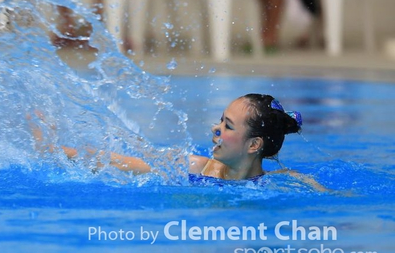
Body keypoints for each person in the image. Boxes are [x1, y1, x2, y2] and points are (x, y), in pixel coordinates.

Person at [30, 93, 322, 188]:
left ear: (253, 145)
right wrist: (52, 149)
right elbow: (113, 161)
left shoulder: (287, 182)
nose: (215, 128)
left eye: (227, 125)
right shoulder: (194, 168)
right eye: (220, 120)